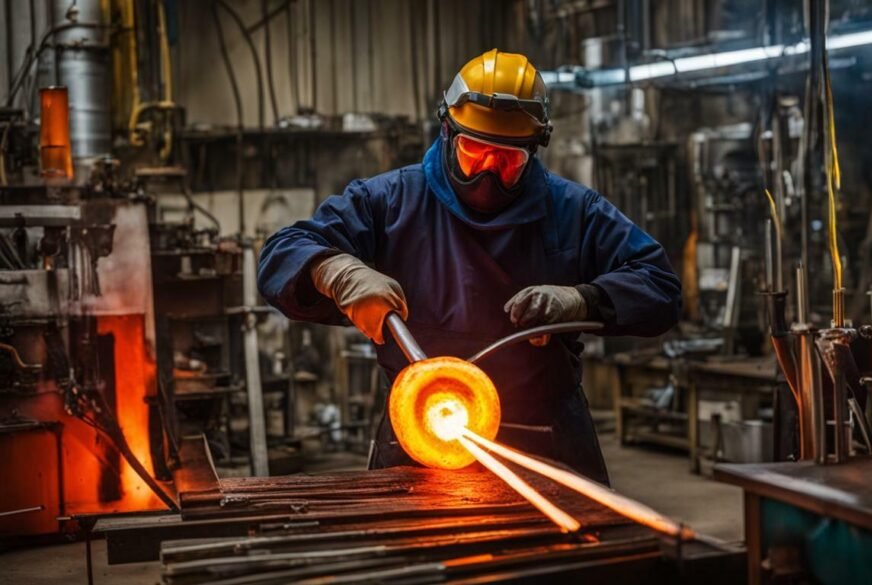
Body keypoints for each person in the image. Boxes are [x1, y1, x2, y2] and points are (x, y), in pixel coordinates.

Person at [258, 49, 681, 484]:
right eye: (475, 152)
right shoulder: (389, 201)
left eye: (507, 161)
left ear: (533, 151)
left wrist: (582, 300)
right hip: (422, 431)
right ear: (448, 131)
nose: (487, 175)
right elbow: (282, 252)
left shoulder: (573, 211)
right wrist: (336, 272)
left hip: (544, 438)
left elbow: (660, 286)